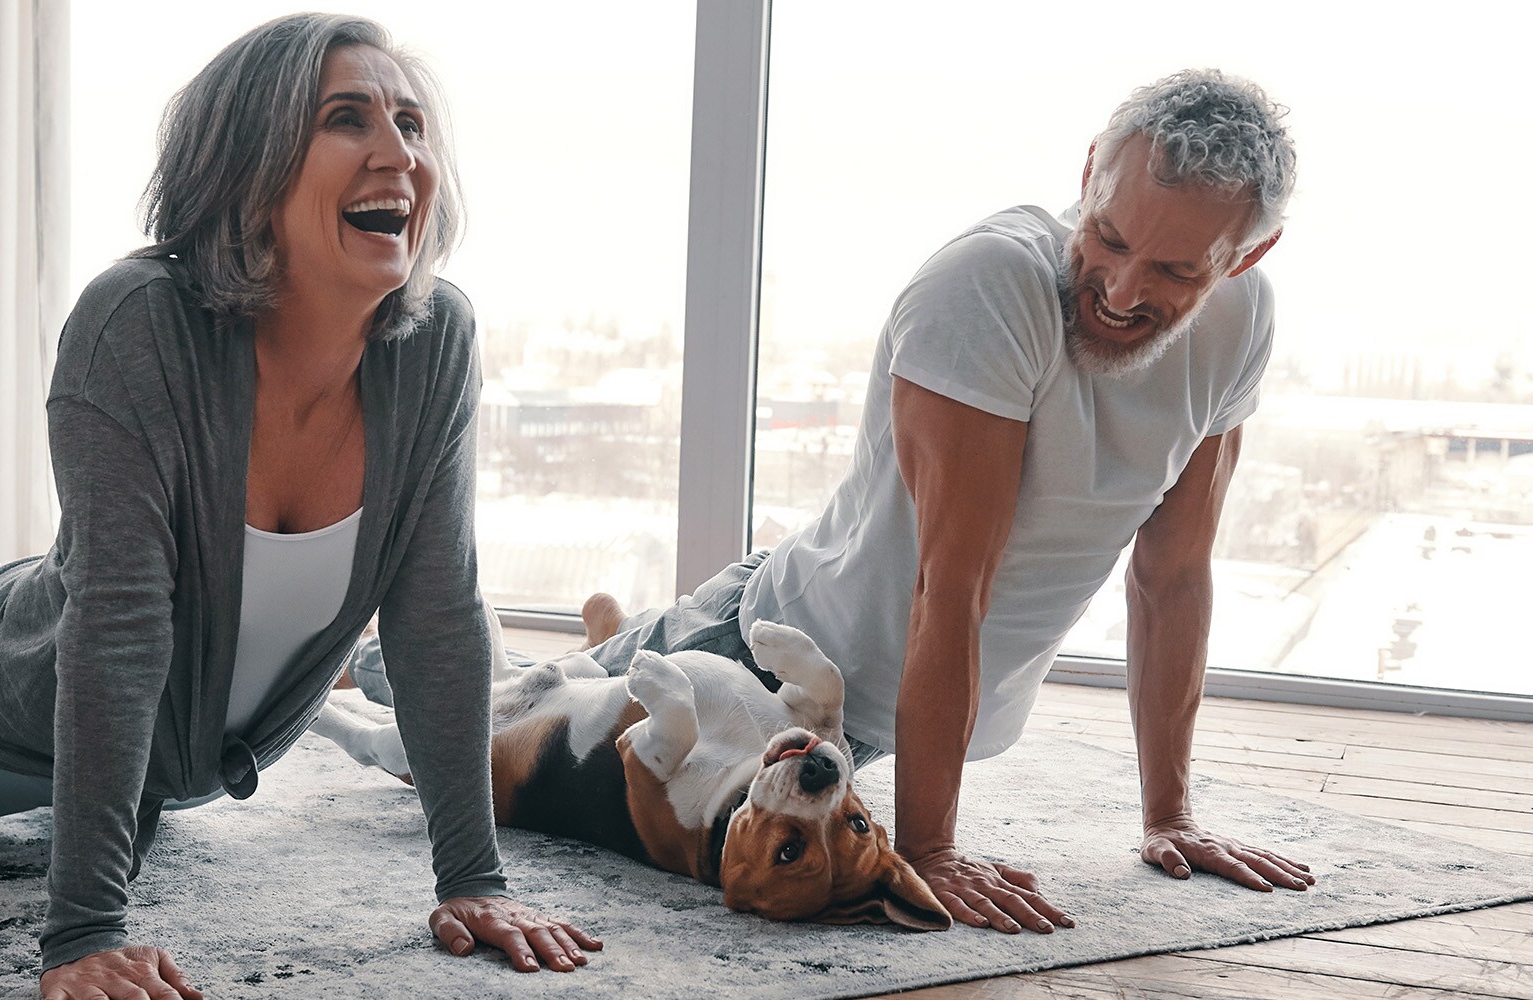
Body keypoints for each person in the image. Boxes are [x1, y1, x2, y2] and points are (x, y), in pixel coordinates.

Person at [0, 13, 599, 999]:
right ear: (251, 162)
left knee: (91, 604)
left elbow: (439, 615)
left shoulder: (435, 342)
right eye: (348, 119)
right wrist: (82, 933)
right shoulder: (137, 321)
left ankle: (15, 587)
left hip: (176, 750)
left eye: (411, 123)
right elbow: (117, 628)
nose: (399, 154)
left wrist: (472, 879)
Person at [351, 68, 1317, 936]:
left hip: (895, 710)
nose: (1118, 286)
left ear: (1244, 256)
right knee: (471, 736)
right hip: (765, 658)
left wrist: (1170, 816)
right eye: (1107, 235)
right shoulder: (989, 289)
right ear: (1093, 167)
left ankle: (480, 654)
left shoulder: (1241, 325)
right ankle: (339, 658)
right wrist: (932, 852)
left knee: (537, 685)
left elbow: (1174, 574)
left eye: (1176, 271)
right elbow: (952, 584)